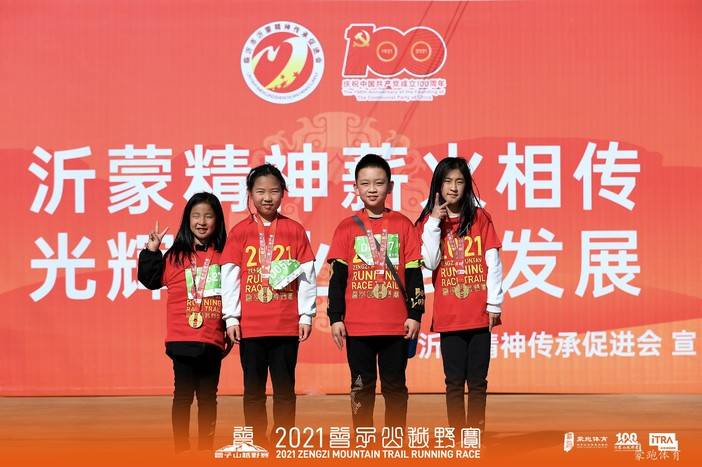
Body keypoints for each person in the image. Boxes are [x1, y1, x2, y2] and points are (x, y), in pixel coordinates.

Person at [327, 153, 425, 429]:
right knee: (361, 386)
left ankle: (395, 441)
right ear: (355, 188)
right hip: (358, 327)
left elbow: (414, 273)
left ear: (390, 187)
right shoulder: (347, 227)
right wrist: (335, 317)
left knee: (395, 387)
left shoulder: (403, 225)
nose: (372, 189)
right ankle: (363, 440)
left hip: (396, 326)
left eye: (379, 183)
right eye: (365, 183)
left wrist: (415, 314)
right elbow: (337, 278)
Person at [221, 163, 317, 446]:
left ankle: (283, 440)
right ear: (250, 193)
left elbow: (307, 274)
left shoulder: (294, 230)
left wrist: (306, 314)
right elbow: (230, 276)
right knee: (253, 390)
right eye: (260, 191)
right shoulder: (240, 232)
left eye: (274, 191)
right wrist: (231, 317)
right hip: (250, 327)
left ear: (283, 193)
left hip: (285, 325)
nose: (267, 198)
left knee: (285, 390)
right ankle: (254, 440)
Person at [416, 156, 504, 433]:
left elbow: (493, 262)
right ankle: (457, 437)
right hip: (450, 316)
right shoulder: (428, 223)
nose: (453, 188)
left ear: (467, 186)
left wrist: (494, 303)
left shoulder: (480, 218)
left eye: (459, 182)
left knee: (477, 382)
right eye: (447, 181)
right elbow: (430, 262)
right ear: (437, 186)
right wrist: (434, 222)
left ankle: (475, 436)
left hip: (479, 314)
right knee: (454, 382)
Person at [137, 192, 229, 453]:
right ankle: (182, 450)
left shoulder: (225, 256)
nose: (202, 222)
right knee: (183, 396)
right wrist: (152, 251)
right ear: (187, 220)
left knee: (208, 398)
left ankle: (205, 449)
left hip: (212, 338)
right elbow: (150, 280)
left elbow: (234, 294)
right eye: (196, 216)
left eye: (208, 216)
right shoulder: (175, 256)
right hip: (182, 339)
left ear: (217, 221)